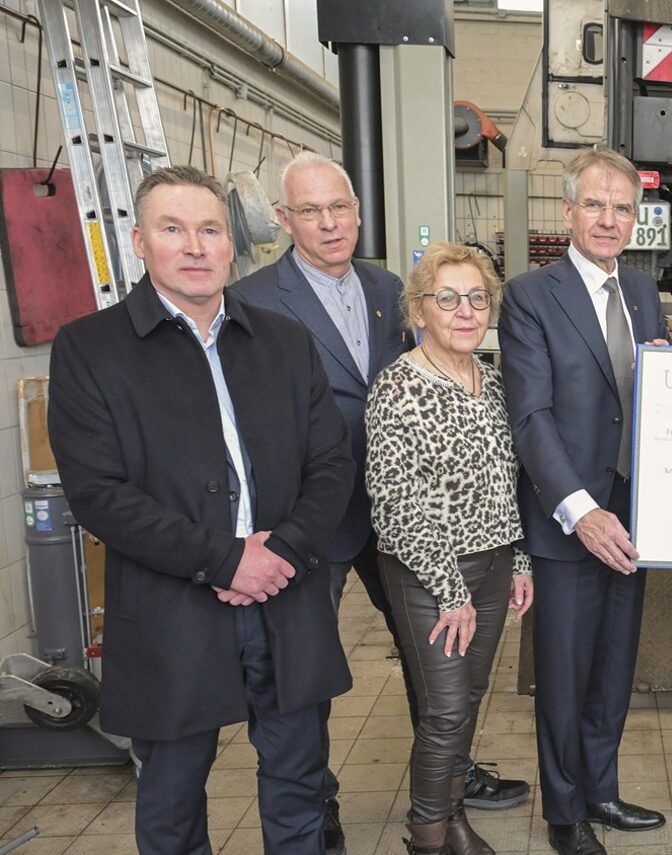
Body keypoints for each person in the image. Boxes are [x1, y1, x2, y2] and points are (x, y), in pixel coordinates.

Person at [47, 165, 354, 854]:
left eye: (210, 229)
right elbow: (97, 493)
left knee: (300, 785)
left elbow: (332, 463)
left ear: (230, 244)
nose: (194, 246)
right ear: (139, 242)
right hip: (172, 611)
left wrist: (279, 552)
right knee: (173, 801)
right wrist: (223, 559)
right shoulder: (91, 349)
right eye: (173, 229)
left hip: (285, 598)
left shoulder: (283, 341)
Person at [236, 153, 530, 854]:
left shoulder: (384, 287)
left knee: (442, 681)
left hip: (408, 523)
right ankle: (313, 804)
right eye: (310, 210)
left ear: (359, 210)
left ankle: (446, 789)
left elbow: (497, 470)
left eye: (339, 206)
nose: (329, 222)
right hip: (313, 518)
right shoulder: (252, 299)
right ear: (283, 219)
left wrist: (512, 553)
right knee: (302, 672)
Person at [499, 147, 670, 855]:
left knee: (612, 668)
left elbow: (660, 390)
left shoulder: (644, 291)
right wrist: (580, 509)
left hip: (634, 516)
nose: (607, 219)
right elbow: (530, 417)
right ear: (567, 211)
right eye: (594, 204)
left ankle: (601, 789)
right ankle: (565, 812)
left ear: (636, 219)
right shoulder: (530, 296)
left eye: (621, 207)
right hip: (569, 523)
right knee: (564, 677)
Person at [365, 242, 535, 855]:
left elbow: (508, 479)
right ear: (419, 310)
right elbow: (393, 504)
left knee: (468, 700)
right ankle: (428, 837)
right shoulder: (398, 388)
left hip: (493, 563)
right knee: (443, 711)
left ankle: (453, 814)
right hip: (429, 573)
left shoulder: (491, 382)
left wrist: (518, 560)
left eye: (477, 298)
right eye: (448, 298)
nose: (466, 311)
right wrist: (450, 590)